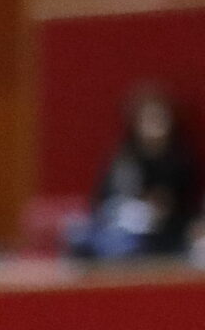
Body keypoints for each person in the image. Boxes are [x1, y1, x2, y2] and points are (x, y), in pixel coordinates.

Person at [77, 85, 198, 261]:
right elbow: (100, 201)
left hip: (164, 236)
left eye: (160, 119)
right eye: (149, 119)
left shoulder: (181, 161)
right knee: (82, 237)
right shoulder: (122, 158)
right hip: (119, 229)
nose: (155, 126)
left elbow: (184, 208)